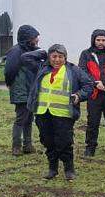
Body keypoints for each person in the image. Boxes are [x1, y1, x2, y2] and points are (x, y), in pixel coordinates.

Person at [26, 44, 93, 180]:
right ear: (49, 57)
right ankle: (52, 168)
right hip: (43, 112)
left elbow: (88, 85)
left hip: (63, 114)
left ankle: (69, 169)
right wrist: (43, 54)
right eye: (54, 56)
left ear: (65, 58)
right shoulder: (41, 68)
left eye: (60, 57)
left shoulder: (73, 70)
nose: (57, 60)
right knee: (48, 141)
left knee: (64, 142)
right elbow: (25, 58)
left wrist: (79, 95)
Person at [78, 29, 105, 157]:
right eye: (98, 40)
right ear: (93, 40)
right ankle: (90, 147)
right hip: (94, 94)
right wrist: (96, 83)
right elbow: (82, 71)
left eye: (103, 40)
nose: (101, 42)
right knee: (92, 122)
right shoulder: (86, 54)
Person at [3, 24, 41, 156]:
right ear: (28, 38)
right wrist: (9, 83)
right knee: (21, 118)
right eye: (35, 37)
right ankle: (16, 146)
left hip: (30, 89)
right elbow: (10, 70)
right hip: (21, 90)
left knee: (29, 118)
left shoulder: (32, 50)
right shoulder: (16, 51)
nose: (37, 39)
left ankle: (28, 145)